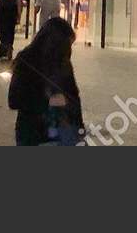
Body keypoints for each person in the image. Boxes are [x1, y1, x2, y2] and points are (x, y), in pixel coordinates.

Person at [8, 17, 83, 145]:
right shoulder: (27, 62)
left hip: (62, 132)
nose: (69, 51)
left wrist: (79, 129)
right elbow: (14, 100)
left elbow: (74, 97)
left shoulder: (63, 63)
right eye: (67, 45)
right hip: (33, 133)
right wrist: (48, 101)